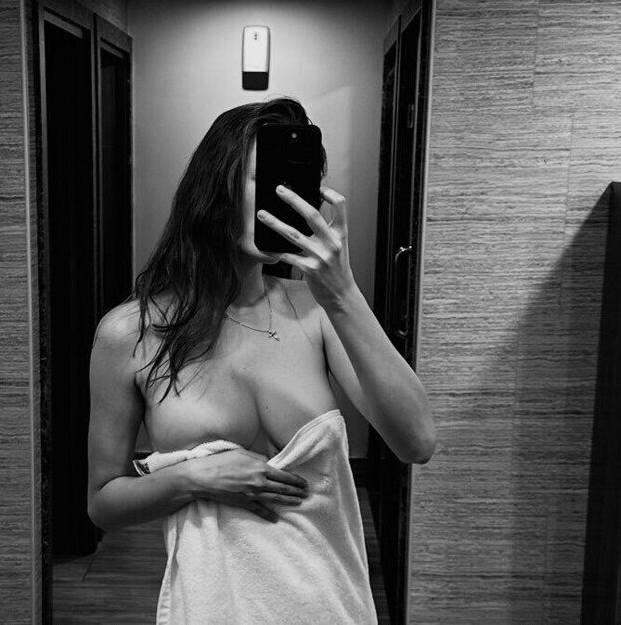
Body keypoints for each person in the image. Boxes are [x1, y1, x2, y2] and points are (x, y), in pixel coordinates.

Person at [87, 97, 436, 624]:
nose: (285, 197)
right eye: (266, 178)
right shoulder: (129, 333)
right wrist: (196, 478)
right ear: (215, 187)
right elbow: (103, 503)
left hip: (329, 603)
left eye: (298, 184)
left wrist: (343, 292)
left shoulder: (317, 310)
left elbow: (417, 441)